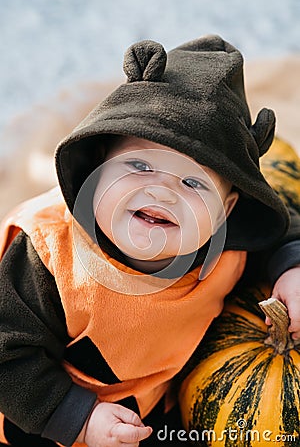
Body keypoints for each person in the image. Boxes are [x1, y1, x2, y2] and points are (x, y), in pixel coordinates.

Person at [0, 34, 300, 447]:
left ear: (225, 211)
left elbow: (283, 228)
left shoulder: (225, 244)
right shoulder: (47, 255)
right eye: (139, 165)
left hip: (153, 412)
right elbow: (6, 355)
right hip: (45, 418)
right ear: (99, 165)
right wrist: (77, 417)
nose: (162, 192)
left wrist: (292, 267)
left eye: (193, 182)